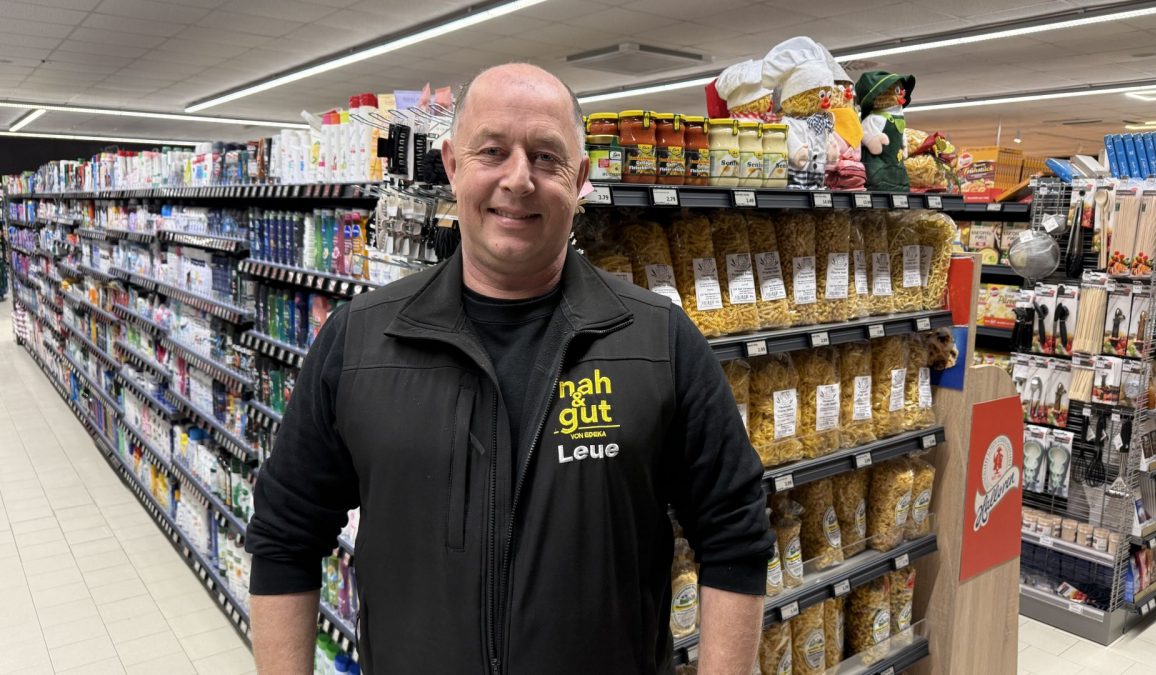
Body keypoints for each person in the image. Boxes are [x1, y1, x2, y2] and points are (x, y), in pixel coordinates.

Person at [247, 63, 772, 675]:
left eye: (546, 157)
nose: (518, 180)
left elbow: (735, 534)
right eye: (492, 151)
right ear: (451, 165)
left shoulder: (660, 340)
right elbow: (284, 537)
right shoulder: (359, 339)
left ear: (580, 178)